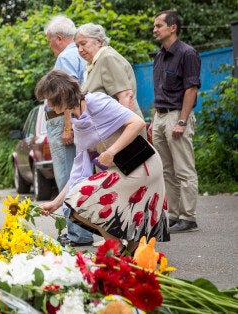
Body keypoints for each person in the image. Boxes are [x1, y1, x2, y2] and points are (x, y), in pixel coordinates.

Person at [36, 70, 170, 253]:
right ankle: (118, 250)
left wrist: (111, 151)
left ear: (61, 94)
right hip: (120, 170)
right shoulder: (77, 119)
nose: (49, 105)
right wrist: (57, 203)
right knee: (74, 203)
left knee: (81, 198)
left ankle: (118, 251)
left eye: (49, 99)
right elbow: (78, 171)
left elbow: (137, 122)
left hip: (141, 165)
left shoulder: (96, 101)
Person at [43, 15, 94, 247]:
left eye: (49, 41)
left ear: (59, 38)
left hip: (64, 120)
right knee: (80, 174)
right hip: (79, 118)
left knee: (67, 175)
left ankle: (77, 233)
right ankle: (82, 230)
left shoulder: (65, 55)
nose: (49, 46)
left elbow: (67, 93)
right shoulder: (83, 54)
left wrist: (67, 127)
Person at [151, 10, 201, 233]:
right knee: (166, 171)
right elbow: (158, 90)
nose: (155, 29)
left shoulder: (187, 53)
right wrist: (154, 120)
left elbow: (191, 88)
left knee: (184, 169)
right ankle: (173, 215)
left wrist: (182, 121)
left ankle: (188, 217)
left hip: (176, 115)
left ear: (173, 28)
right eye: (154, 26)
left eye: (159, 25)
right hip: (160, 116)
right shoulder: (159, 56)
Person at [74, 23, 146, 123]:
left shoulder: (107, 58)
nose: (80, 49)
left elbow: (125, 96)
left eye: (83, 43)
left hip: (122, 131)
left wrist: (126, 129)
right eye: (77, 46)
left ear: (98, 41)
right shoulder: (94, 64)